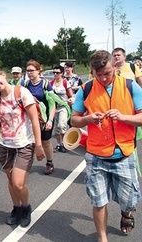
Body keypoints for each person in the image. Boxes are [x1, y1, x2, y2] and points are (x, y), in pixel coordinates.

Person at [71, 50, 142, 241]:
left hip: (124, 153)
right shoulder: (85, 89)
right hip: (96, 155)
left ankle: (126, 213)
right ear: (92, 70)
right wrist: (87, 118)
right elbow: (74, 120)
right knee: (98, 201)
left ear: (115, 68)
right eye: (98, 74)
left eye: (107, 73)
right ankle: (102, 238)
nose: (103, 78)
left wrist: (124, 117)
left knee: (129, 200)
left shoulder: (130, 86)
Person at [0, 66, 44, 227]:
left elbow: (35, 120)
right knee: (10, 179)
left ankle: (26, 207)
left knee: (18, 183)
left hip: (24, 143)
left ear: (4, 75)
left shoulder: (21, 92)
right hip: (4, 145)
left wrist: (38, 145)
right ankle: (16, 208)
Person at [24, 60, 56, 175]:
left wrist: (50, 120)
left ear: (38, 71)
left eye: (32, 71)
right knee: (30, 142)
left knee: (45, 141)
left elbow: (52, 104)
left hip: (45, 118)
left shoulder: (45, 84)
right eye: (27, 71)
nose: (29, 73)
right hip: (31, 119)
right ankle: (26, 163)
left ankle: (49, 162)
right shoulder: (26, 85)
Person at [50, 65, 73, 153]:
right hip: (54, 108)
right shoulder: (51, 83)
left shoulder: (65, 83)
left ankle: (64, 143)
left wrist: (71, 100)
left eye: (57, 72)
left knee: (61, 125)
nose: (55, 74)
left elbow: (71, 95)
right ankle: (59, 144)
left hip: (63, 106)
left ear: (62, 73)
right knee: (56, 128)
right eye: (54, 72)